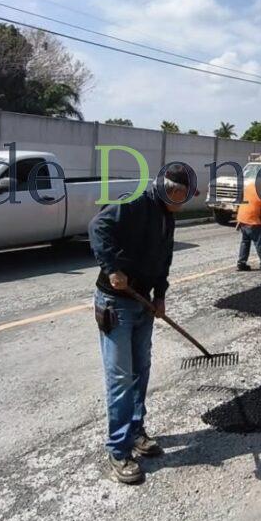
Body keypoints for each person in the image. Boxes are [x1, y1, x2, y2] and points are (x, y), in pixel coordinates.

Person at [88, 167, 194, 485]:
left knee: (140, 370)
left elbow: (164, 259)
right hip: (115, 302)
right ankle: (118, 451)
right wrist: (112, 268)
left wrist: (160, 295)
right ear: (166, 189)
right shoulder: (134, 202)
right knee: (121, 378)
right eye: (180, 196)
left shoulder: (166, 215)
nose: (183, 202)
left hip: (142, 301)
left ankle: (135, 431)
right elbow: (97, 228)